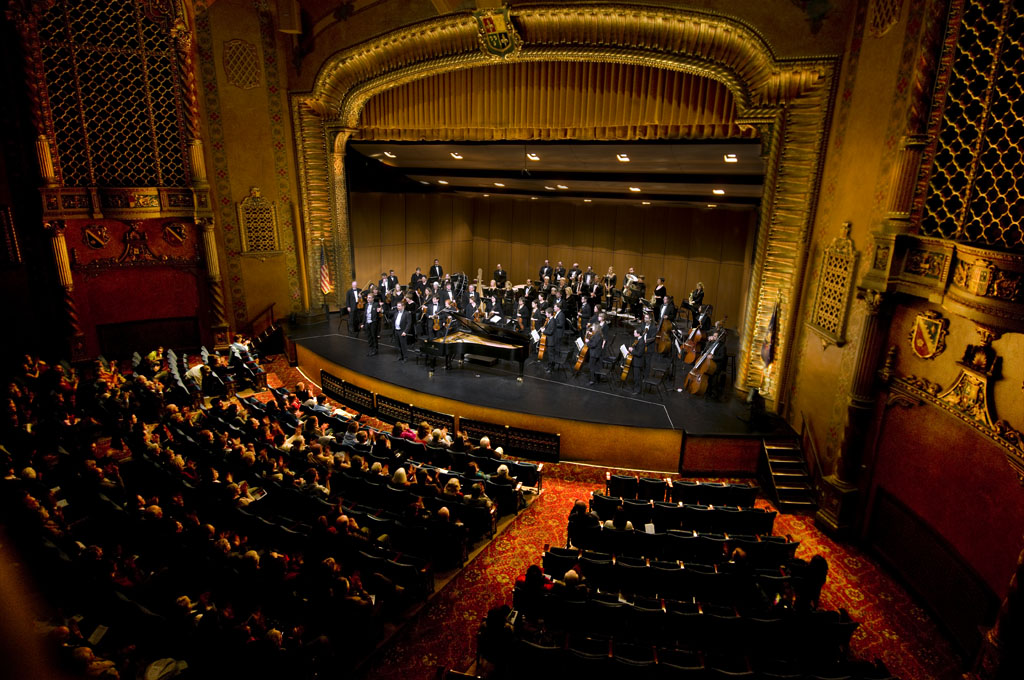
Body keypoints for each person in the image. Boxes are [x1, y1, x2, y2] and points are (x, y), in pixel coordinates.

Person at [630, 312, 656, 394]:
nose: (645, 319)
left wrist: (645, 341)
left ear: (650, 319)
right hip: (641, 344)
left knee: (647, 362)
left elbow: (653, 338)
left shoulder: (653, 327)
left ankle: (645, 377)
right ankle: (641, 376)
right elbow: (640, 332)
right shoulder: (643, 324)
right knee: (641, 361)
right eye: (645, 318)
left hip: (648, 347)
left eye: (647, 318)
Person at [587, 314, 607, 385]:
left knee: (592, 366)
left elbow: (593, 344)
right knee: (595, 366)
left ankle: (592, 380)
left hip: (594, 353)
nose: (592, 328)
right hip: (596, 352)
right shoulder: (598, 334)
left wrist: (587, 342)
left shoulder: (597, 335)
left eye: (593, 327)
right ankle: (595, 378)